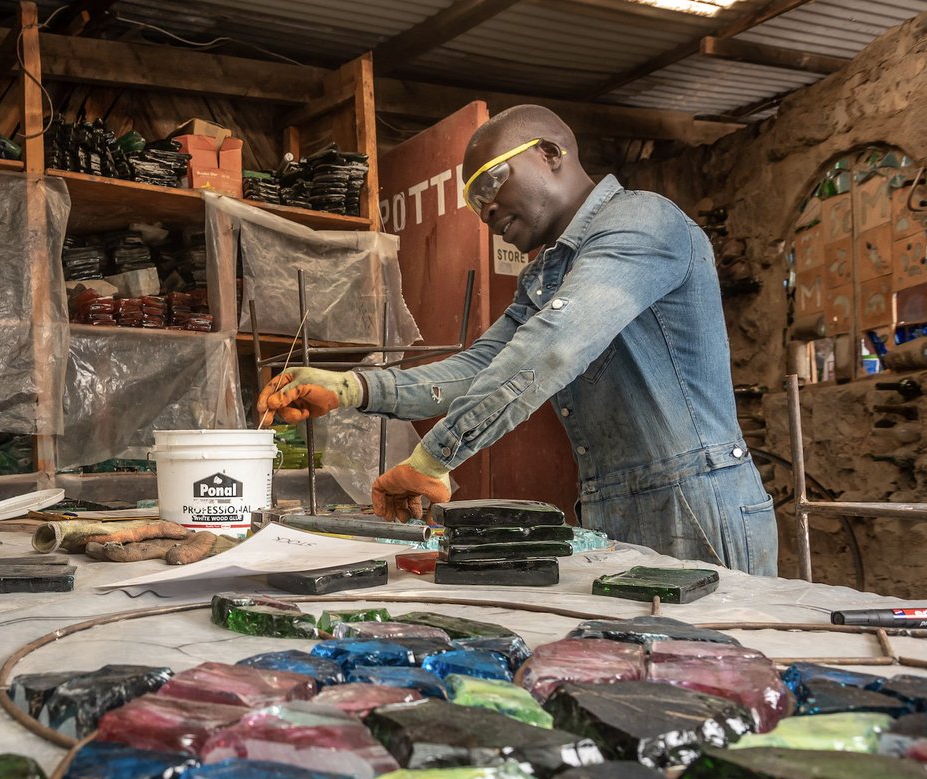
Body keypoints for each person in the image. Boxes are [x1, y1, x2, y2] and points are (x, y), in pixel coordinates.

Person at [257, 104, 778, 576]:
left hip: (696, 502)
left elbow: (554, 345)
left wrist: (432, 459)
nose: (484, 211)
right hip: (610, 505)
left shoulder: (643, 222)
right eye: (472, 202)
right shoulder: (545, 276)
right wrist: (351, 388)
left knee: (713, 671)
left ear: (550, 154)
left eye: (488, 185)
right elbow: (482, 368)